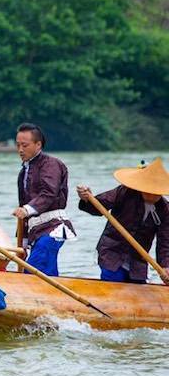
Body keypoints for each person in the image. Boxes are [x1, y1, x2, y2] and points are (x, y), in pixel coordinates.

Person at [76, 158, 169, 284]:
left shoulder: (165, 210)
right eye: (147, 192)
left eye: (155, 193)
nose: (151, 196)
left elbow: (164, 243)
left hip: (138, 261)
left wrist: (165, 267)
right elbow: (99, 206)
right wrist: (88, 199)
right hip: (113, 253)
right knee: (112, 286)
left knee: (138, 293)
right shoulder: (124, 192)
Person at [11, 122, 75, 276]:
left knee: (35, 268)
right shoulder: (23, 173)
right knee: (45, 271)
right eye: (18, 145)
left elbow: (48, 193)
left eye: (25, 145)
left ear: (38, 145)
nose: (20, 149)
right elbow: (23, 209)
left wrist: (26, 209)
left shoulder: (51, 164)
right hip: (35, 229)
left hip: (53, 227)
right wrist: (23, 245)